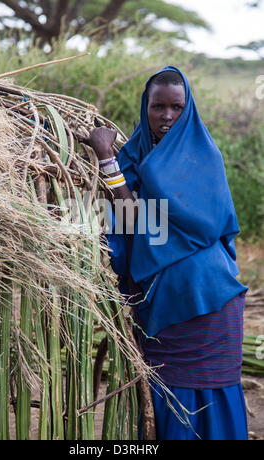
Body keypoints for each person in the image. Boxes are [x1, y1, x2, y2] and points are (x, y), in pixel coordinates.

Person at [85, 66, 249, 440]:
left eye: (176, 107)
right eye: (158, 107)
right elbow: (126, 222)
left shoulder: (202, 155)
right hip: (162, 303)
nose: (167, 117)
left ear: (188, 107)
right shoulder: (138, 153)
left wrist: (107, 159)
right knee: (166, 398)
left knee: (207, 397)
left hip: (207, 301)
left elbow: (147, 224)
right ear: (146, 107)